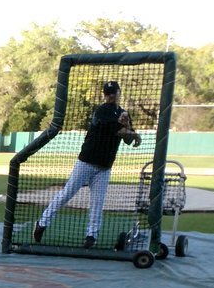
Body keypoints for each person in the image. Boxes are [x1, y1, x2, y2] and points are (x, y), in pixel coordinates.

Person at [33, 80, 141, 248]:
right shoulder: (101, 110)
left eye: (114, 92)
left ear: (119, 93)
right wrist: (133, 133)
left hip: (105, 167)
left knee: (97, 203)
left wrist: (129, 128)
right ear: (105, 95)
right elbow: (116, 130)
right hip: (87, 162)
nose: (112, 95)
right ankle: (42, 223)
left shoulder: (124, 113)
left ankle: (91, 236)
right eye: (109, 93)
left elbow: (126, 139)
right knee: (67, 194)